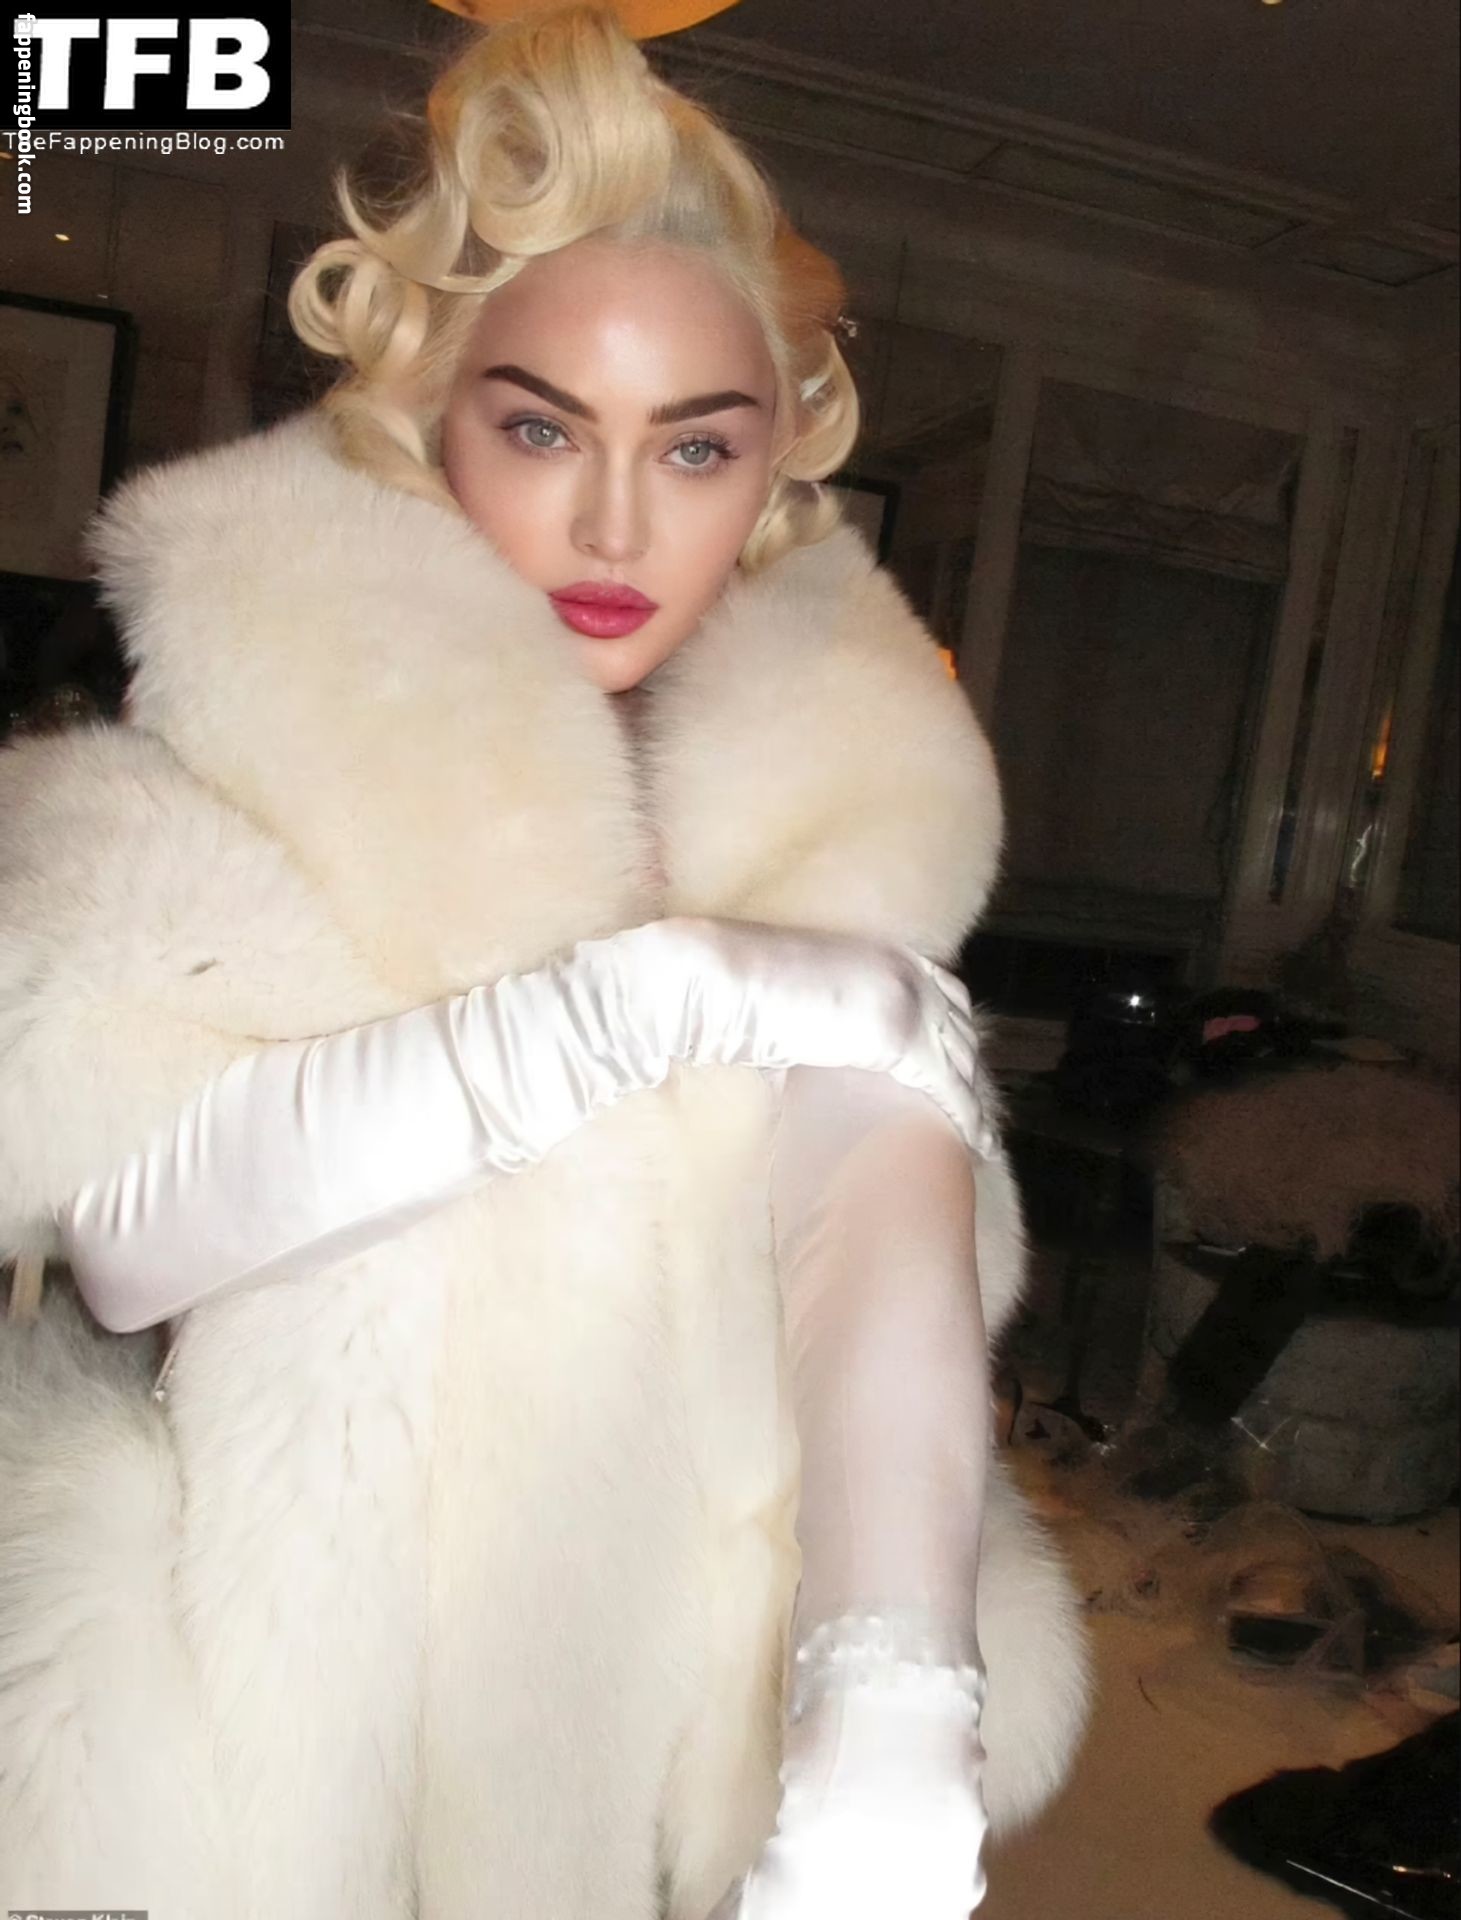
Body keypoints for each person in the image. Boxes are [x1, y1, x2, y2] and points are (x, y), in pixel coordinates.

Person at [0, 7, 1089, 1915]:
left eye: (694, 447)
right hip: (272, 1752)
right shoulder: (223, 773)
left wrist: (888, 1727)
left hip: (628, 1772)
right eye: (539, 428)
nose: (613, 521)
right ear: (430, 415)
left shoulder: (831, 837)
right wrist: (633, 1006)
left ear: (772, 468)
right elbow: (138, 1234)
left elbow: (877, 1253)